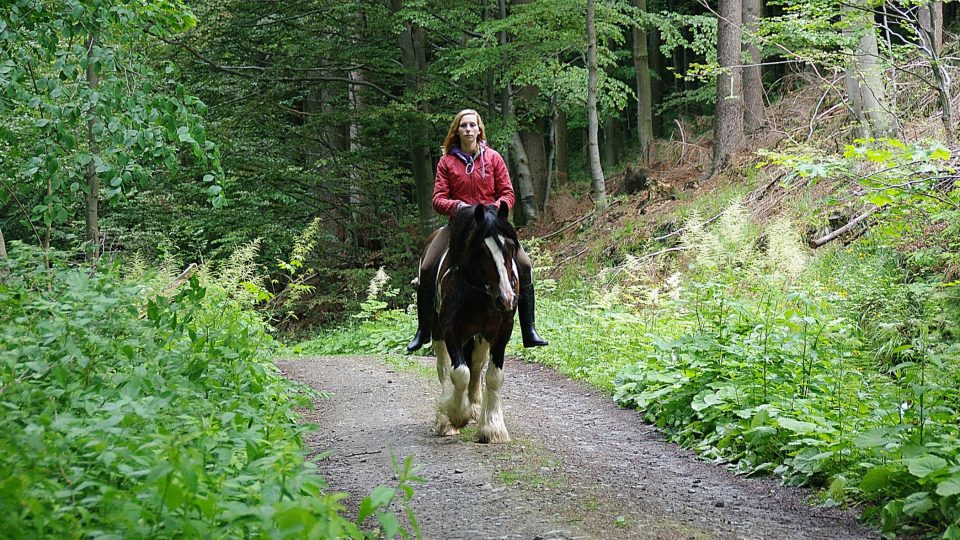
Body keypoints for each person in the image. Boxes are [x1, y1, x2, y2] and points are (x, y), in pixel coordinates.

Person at [407, 108, 548, 352]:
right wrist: (459, 207)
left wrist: (496, 207)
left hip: (491, 226)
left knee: (524, 265)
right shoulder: (446, 162)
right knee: (428, 266)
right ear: (457, 131)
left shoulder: (493, 158)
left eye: (473, 125)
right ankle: (423, 330)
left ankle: (529, 329)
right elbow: (438, 199)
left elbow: (508, 193)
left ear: (479, 129)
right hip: (459, 227)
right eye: (464, 126)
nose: (469, 129)